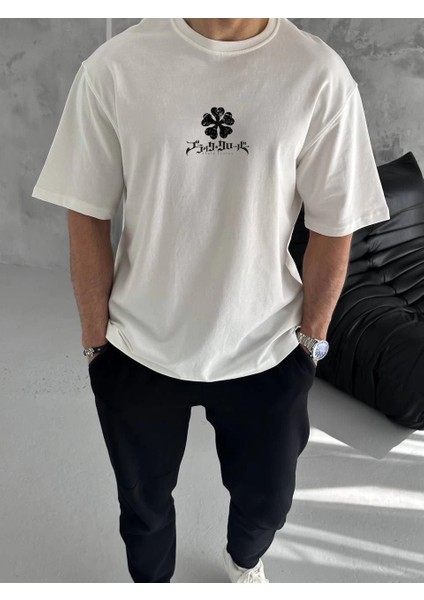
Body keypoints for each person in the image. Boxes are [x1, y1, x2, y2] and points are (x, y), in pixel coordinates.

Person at [31, 18, 390, 583]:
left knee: (268, 503)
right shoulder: (114, 69)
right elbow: (87, 212)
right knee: (143, 508)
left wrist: (311, 344)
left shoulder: (318, 76)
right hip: (139, 348)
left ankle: (244, 562)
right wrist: (96, 344)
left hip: (267, 347)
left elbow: (334, 223)